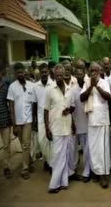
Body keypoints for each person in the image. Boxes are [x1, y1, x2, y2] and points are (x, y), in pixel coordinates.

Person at [44, 64, 76, 193]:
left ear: (64, 75)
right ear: (54, 75)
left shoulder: (69, 89)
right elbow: (45, 111)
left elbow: (73, 107)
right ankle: (53, 185)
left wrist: (69, 112)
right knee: (57, 156)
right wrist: (47, 128)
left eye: (61, 75)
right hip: (55, 128)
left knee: (65, 154)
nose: (59, 77)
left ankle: (63, 182)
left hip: (67, 127)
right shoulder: (50, 90)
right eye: (56, 75)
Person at [80, 62, 111, 189]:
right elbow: (82, 98)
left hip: (102, 121)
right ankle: (97, 172)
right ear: (89, 71)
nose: (93, 73)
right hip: (92, 120)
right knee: (94, 149)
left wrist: (96, 86)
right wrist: (90, 87)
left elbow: (108, 97)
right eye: (91, 70)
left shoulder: (104, 82)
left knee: (103, 149)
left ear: (99, 71)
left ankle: (104, 175)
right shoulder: (86, 83)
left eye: (95, 70)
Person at [7, 62, 35, 180]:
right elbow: (11, 107)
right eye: (17, 72)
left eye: (21, 72)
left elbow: (34, 104)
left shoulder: (31, 85)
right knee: (23, 144)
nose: (20, 74)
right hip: (18, 121)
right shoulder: (12, 87)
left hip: (28, 120)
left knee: (25, 144)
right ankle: (30, 160)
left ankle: (25, 169)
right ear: (15, 74)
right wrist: (14, 125)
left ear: (24, 72)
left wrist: (34, 120)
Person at [32, 63, 55, 172]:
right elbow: (34, 104)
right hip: (41, 119)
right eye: (42, 72)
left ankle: (51, 164)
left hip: (52, 118)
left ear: (48, 72)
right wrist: (34, 121)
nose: (44, 74)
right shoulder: (35, 86)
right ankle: (46, 160)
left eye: (46, 72)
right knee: (42, 142)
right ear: (39, 74)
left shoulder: (53, 84)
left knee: (51, 142)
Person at [70, 65, 91, 182]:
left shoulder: (88, 86)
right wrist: (72, 123)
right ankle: (73, 170)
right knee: (78, 150)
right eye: (77, 74)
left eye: (81, 73)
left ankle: (87, 171)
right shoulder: (73, 90)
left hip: (89, 124)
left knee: (87, 150)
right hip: (77, 124)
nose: (79, 75)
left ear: (84, 73)